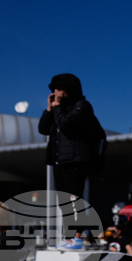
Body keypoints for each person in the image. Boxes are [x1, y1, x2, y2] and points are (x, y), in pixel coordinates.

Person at [37, 74, 105, 248]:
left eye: (59, 89)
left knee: (74, 200)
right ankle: (68, 237)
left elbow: (67, 125)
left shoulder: (82, 106)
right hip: (59, 160)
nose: (56, 92)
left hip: (75, 159)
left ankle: (77, 237)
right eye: (54, 89)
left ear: (68, 89)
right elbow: (43, 129)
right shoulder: (58, 109)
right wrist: (50, 109)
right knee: (63, 202)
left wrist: (58, 107)